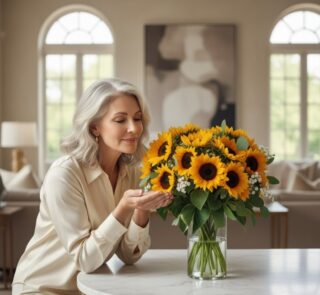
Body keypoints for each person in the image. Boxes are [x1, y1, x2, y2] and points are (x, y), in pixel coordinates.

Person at [12, 78, 173, 294]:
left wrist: (140, 211)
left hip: (89, 288)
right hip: (42, 287)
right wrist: (123, 208)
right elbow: (84, 260)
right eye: (120, 120)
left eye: (137, 118)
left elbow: (128, 256)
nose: (134, 128)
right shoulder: (64, 175)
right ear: (95, 127)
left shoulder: (132, 172)